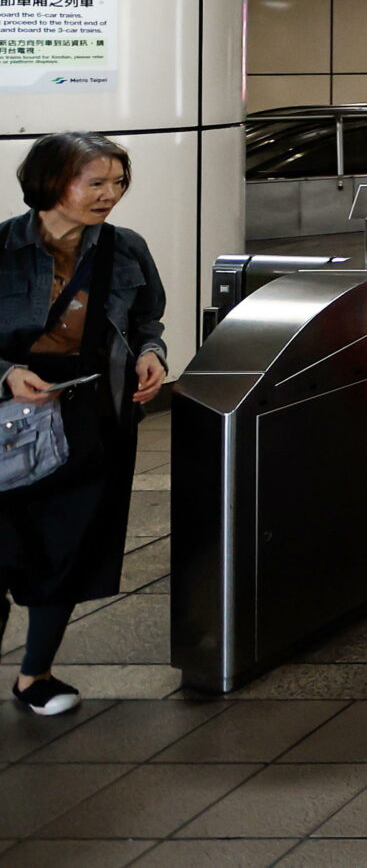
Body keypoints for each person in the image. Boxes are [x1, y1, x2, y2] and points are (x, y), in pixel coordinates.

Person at [0, 133, 169, 716]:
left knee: (67, 546)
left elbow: (147, 317)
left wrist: (152, 353)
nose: (110, 195)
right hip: (8, 412)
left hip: (89, 414)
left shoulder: (124, 248)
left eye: (118, 182)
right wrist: (7, 373)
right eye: (94, 182)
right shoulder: (3, 246)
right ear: (52, 181)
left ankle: (35, 678)